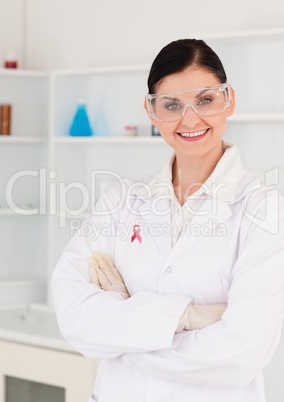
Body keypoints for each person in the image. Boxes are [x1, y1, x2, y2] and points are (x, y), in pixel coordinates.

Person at [52, 39, 284, 402]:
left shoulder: (265, 209)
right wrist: (189, 317)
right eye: (172, 105)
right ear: (152, 112)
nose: (190, 119)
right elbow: (74, 318)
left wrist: (125, 332)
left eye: (205, 100)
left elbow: (243, 353)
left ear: (229, 100)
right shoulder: (120, 201)